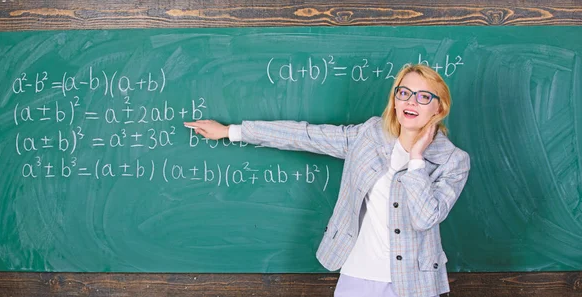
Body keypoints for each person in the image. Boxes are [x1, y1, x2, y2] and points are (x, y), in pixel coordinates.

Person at [184, 64, 471, 297]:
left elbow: (425, 218)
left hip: (415, 284)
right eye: (404, 92)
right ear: (394, 100)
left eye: (423, 97)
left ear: (439, 108)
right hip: (358, 274)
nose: (410, 101)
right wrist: (231, 132)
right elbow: (305, 135)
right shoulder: (368, 136)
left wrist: (417, 159)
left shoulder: (453, 161)